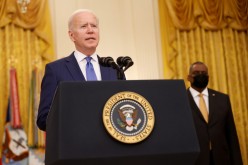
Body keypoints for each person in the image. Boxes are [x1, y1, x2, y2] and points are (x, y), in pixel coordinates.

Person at [36, 9, 125, 131]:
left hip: (112, 146)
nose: (90, 30)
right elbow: (43, 119)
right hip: (74, 145)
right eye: (83, 26)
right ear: (72, 35)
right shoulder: (55, 70)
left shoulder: (114, 69)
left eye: (94, 26)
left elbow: (124, 108)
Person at [187, 61, 243, 165]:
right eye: (196, 73)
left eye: (204, 73)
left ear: (208, 77)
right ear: (189, 77)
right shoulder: (181, 100)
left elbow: (231, 135)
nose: (201, 75)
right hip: (195, 160)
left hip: (221, 159)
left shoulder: (223, 99)